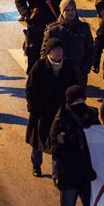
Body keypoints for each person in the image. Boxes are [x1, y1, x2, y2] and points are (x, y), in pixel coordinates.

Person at [48, 85, 99, 206]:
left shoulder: (91, 115)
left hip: (84, 175)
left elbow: (102, 140)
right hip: (71, 174)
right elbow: (54, 145)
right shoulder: (61, 118)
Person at [27, 38, 79, 177]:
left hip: (60, 112)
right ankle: (36, 165)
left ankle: (57, 171)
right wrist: (33, 107)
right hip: (42, 112)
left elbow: (74, 86)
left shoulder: (67, 65)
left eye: (60, 50)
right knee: (38, 143)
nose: (58, 53)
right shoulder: (39, 66)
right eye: (55, 50)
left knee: (59, 143)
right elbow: (30, 88)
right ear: (49, 52)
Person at [16, 0, 71, 73]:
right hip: (37, 24)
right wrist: (27, 15)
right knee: (34, 52)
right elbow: (19, 1)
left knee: (54, 49)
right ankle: (33, 75)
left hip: (53, 21)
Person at [44, 0, 96, 86]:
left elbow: (91, 49)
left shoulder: (84, 28)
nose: (70, 12)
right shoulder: (53, 30)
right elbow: (44, 52)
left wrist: (85, 68)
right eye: (67, 10)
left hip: (79, 74)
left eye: (72, 9)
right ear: (62, 12)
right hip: (59, 73)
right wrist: (51, 69)